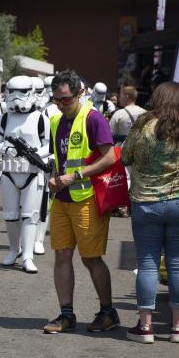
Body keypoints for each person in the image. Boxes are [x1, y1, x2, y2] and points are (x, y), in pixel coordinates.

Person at [121, 82, 179, 344]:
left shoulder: (143, 126)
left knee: (147, 264)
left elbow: (125, 156)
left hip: (147, 202)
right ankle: (178, 327)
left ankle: (146, 327)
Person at [43, 70, 119, 334]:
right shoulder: (55, 121)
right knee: (61, 255)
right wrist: (54, 178)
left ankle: (108, 312)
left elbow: (110, 157)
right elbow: (58, 158)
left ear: (80, 94)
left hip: (87, 197)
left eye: (65, 99)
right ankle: (66, 314)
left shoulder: (93, 118)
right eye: (56, 100)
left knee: (91, 258)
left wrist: (74, 176)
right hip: (62, 198)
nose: (61, 105)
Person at [0, 75, 50, 273]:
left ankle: (28, 256)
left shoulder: (41, 118)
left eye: (22, 92)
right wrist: (6, 149)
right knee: (11, 215)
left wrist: (36, 155)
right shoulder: (4, 118)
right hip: (9, 171)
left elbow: (49, 145)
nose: (16, 97)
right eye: (12, 92)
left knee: (30, 216)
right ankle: (14, 249)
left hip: (32, 172)